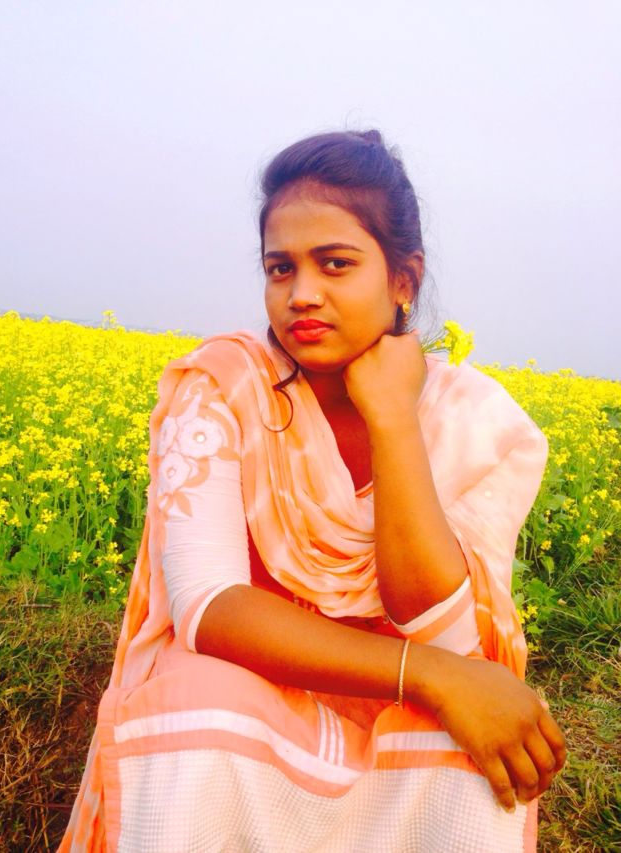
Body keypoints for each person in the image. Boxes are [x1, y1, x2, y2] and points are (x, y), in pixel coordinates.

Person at [60, 130, 566, 852]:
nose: (301, 294)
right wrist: (427, 675)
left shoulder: (475, 421)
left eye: (335, 263)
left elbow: (451, 637)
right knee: (196, 694)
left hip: (389, 706)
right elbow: (209, 606)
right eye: (280, 268)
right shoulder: (223, 388)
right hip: (261, 687)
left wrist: (393, 419)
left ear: (404, 280)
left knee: (472, 738)